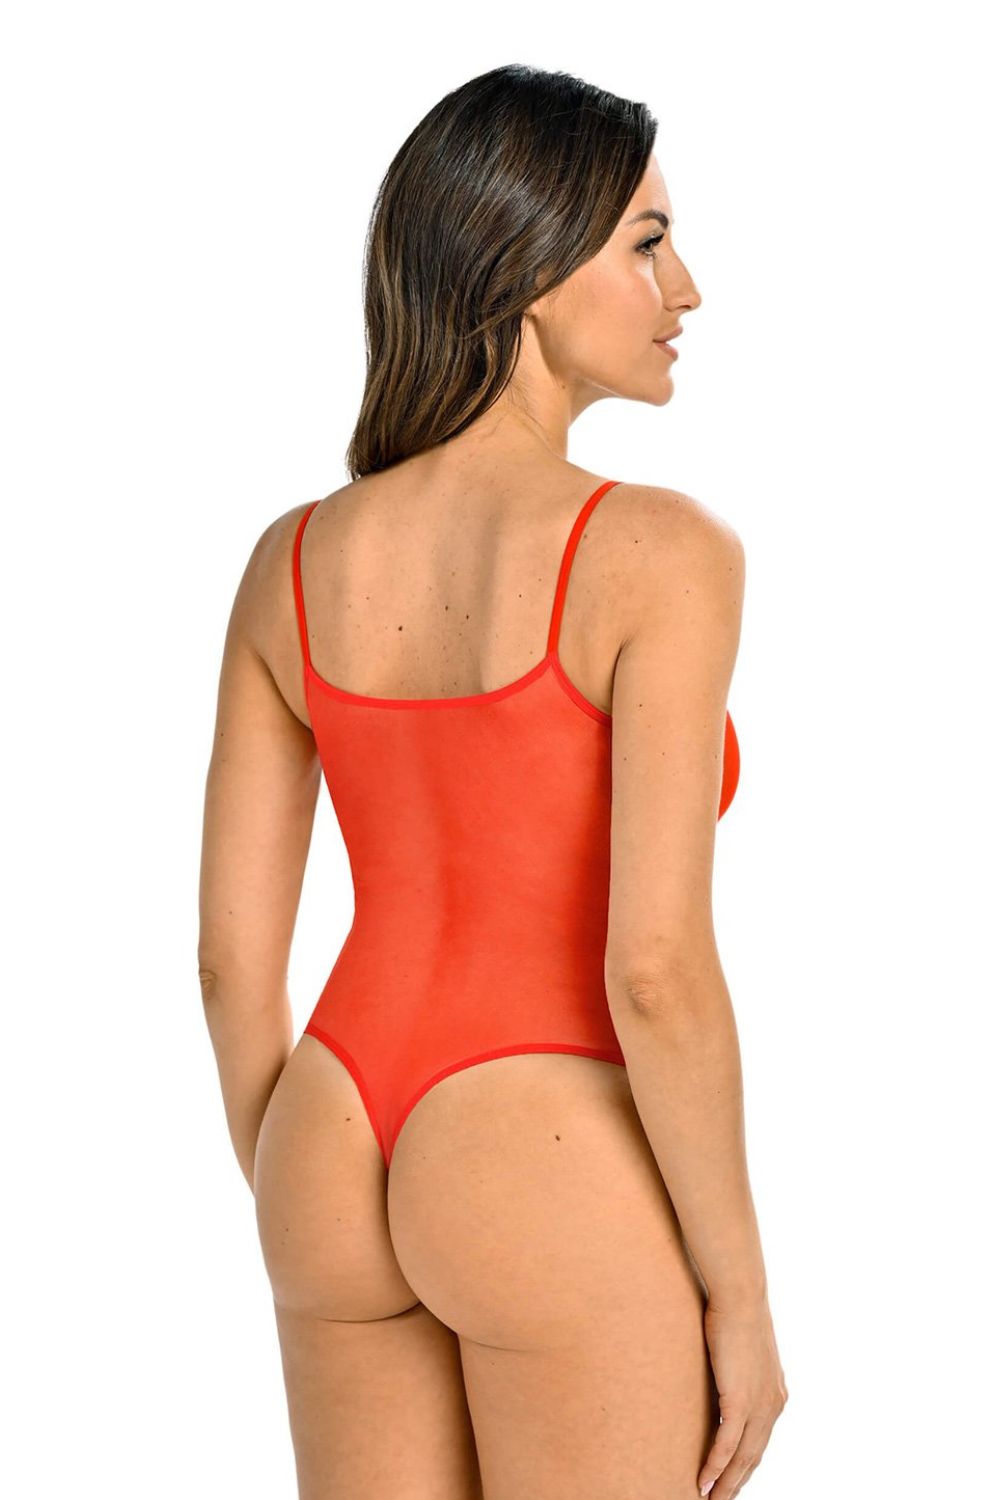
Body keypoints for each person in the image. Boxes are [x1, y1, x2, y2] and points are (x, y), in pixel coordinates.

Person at [198, 62, 787, 1500]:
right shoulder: (661, 553)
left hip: (329, 1125)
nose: (686, 288)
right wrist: (739, 1290)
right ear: (528, 267)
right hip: (545, 1150)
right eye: (648, 243)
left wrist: (301, 1192)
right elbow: (653, 970)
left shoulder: (290, 562)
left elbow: (227, 963)